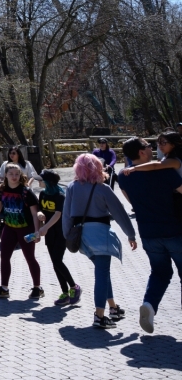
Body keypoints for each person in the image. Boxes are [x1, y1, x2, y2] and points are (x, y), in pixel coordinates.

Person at [63, 153, 137, 329]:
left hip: (82, 236)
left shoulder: (72, 187)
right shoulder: (103, 188)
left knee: (102, 272)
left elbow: (66, 215)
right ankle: (99, 315)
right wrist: (131, 234)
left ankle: (113, 307)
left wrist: (67, 237)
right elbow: (119, 213)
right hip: (100, 235)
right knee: (102, 275)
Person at [117, 136, 182, 334]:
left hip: (148, 233)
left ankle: (150, 305)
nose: (153, 148)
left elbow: (132, 204)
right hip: (174, 230)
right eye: (148, 146)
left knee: (160, 273)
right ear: (142, 152)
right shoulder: (166, 173)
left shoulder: (123, 175)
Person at [0, 163, 44, 299]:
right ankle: (4, 288)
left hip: (26, 229)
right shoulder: (2, 189)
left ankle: (37, 288)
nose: (14, 177)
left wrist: (37, 232)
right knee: (4, 257)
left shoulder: (26, 191)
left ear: (21, 175)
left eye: (17, 174)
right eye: (11, 174)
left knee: (30, 258)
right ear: (5, 175)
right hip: (9, 228)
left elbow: (35, 213)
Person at [36, 170, 80, 306]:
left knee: (57, 261)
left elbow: (58, 214)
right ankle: (65, 293)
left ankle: (74, 287)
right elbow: (40, 209)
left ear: (48, 182)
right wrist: (39, 215)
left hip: (61, 232)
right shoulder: (43, 194)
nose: (39, 182)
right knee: (55, 263)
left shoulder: (60, 195)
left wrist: (44, 227)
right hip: (49, 233)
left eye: (41, 180)